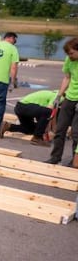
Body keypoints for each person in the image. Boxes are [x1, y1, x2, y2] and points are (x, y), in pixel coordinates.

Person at [46, 37, 78, 165]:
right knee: (60, 130)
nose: (69, 56)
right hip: (69, 98)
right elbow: (67, 78)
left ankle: (74, 160)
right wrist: (58, 96)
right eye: (68, 54)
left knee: (76, 132)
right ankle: (55, 157)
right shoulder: (69, 60)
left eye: (71, 53)